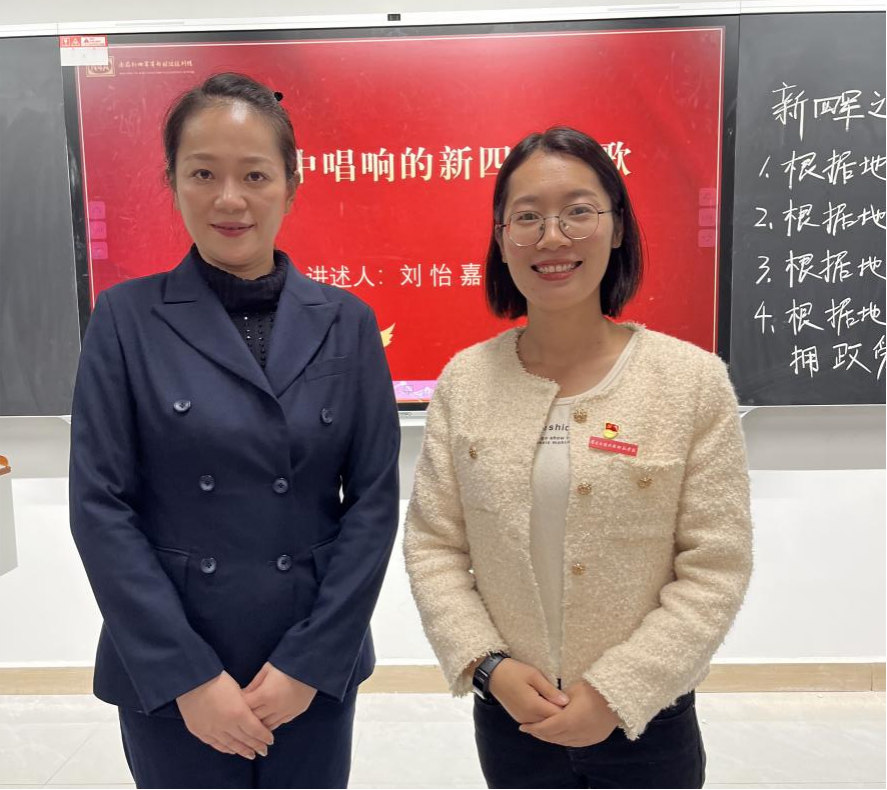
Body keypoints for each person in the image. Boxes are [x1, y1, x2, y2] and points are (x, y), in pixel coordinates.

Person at [69, 72, 401, 789]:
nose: (229, 198)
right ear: (172, 182)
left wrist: (308, 663)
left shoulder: (348, 322)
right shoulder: (124, 319)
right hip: (173, 669)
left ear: (290, 184)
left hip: (308, 666)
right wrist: (188, 677)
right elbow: (100, 508)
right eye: (203, 173)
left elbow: (373, 504)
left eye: (254, 174)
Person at [404, 126, 752, 790]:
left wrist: (619, 690)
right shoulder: (465, 382)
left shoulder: (690, 382)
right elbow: (433, 544)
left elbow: (716, 565)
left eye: (577, 212)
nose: (552, 237)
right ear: (501, 238)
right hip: (512, 718)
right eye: (527, 217)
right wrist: (488, 667)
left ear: (616, 227)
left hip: (647, 719)